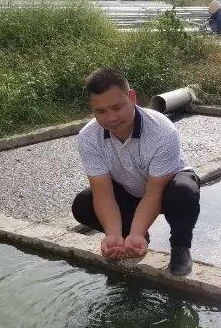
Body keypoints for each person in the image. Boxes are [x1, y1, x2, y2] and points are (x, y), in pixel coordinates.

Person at [72, 68, 200, 276]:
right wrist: (112, 235)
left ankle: (180, 248)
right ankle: (126, 240)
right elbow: (102, 191)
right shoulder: (88, 137)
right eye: (101, 111)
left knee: (184, 192)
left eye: (117, 107)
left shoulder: (163, 131)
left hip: (166, 187)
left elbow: (154, 192)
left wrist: (137, 230)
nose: (111, 118)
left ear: (132, 97)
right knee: (83, 204)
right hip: (128, 187)